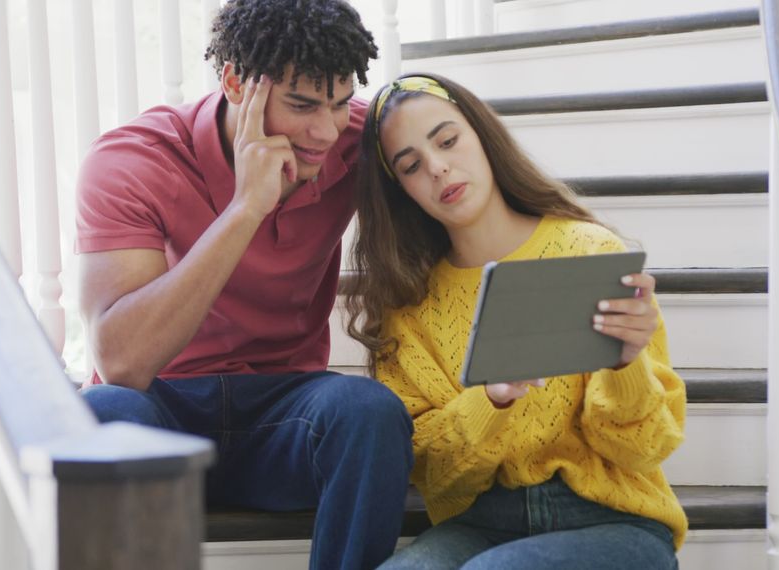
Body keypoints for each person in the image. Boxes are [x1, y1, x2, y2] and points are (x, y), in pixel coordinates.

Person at [74, 1, 413, 568]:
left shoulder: (358, 137)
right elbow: (123, 364)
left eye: (338, 101)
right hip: (165, 409)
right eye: (302, 105)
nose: (325, 130)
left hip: (285, 413)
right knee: (104, 410)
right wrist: (244, 209)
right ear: (235, 81)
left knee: (369, 412)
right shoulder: (131, 160)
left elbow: (467, 174)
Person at [345, 73, 687, 569]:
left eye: (447, 140)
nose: (438, 168)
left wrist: (627, 366)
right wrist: (489, 399)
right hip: (480, 523)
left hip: (614, 520)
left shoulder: (588, 251)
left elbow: (644, 449)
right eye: (412, 165)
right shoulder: (408, 305)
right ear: (402, 191)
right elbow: (430, 470)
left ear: (482, 135)